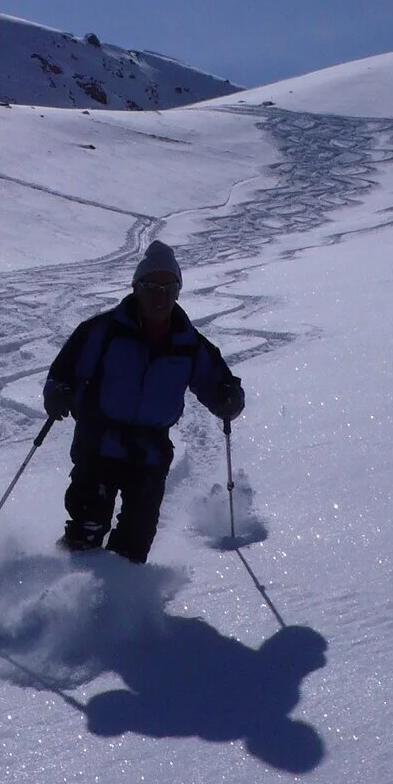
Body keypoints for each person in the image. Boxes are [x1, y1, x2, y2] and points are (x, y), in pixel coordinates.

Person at [43, 240, 245, 564]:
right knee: (86, 530)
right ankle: (64, 586)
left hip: (150, 451)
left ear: (178, 292)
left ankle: (119, 593)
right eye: (151, 286)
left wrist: (228, 398)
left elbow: (218, 382)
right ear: (136, 288)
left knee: (134, 545)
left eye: (168, 287)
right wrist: (58, 392)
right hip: (99, 442)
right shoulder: (103, 331)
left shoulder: (188, 344)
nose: (159, 296)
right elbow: (64, 370)